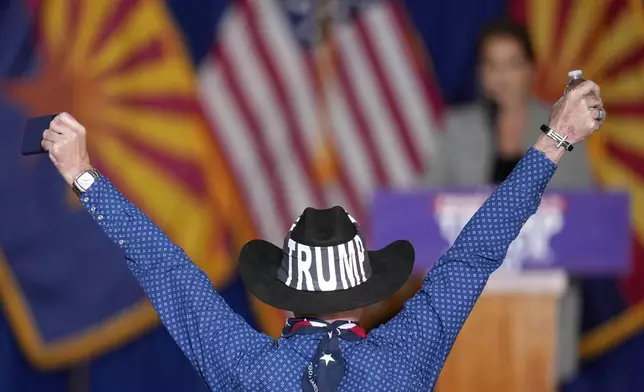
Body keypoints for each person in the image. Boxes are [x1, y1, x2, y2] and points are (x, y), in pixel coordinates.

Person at [41, 80, 604, 391]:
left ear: (287, 294)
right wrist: (554, 140)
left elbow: (169, 273)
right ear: (363, 293)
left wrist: (84, 176)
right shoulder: (404, 359)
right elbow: (473, 255)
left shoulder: (248, 368)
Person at [427, 18, 593, 188]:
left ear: (531, 68)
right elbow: (427, 197)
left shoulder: (562, 126)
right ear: (480, 73)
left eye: (512, 64)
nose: (502, 77)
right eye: (492, 65)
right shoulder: (457, 127)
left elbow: (582, 198)